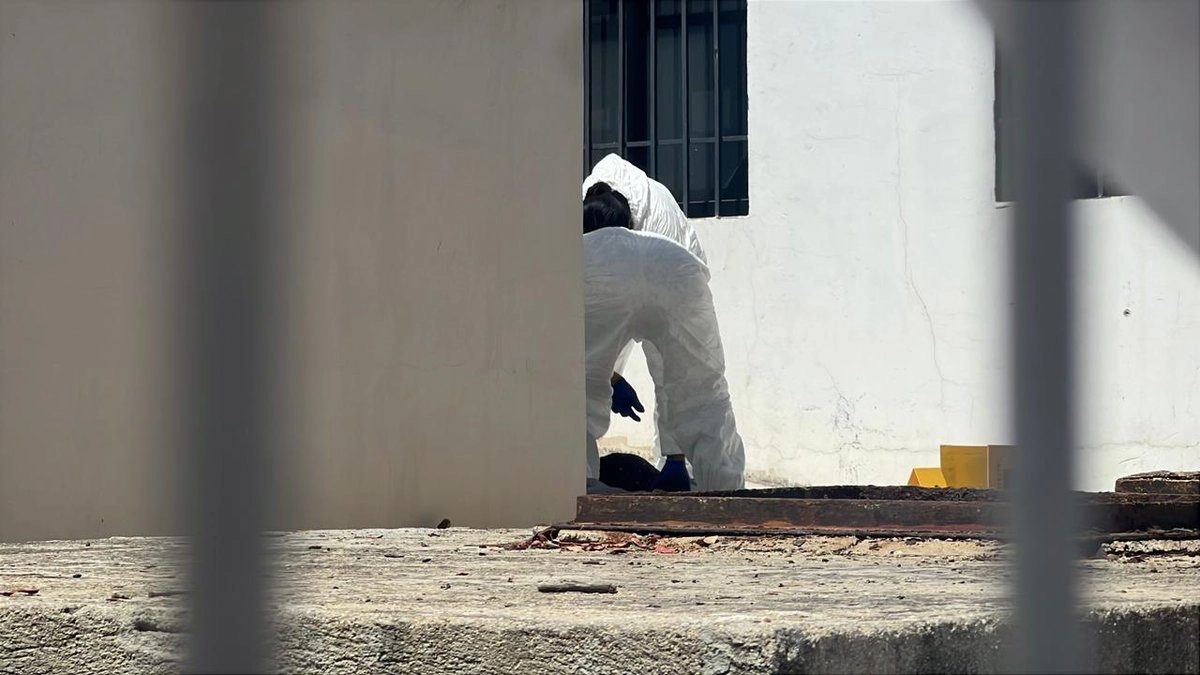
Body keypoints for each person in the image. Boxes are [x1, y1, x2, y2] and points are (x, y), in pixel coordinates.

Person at [583, 181, 746, 493]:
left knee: (573, 395)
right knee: (704, 393)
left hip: (621, 273)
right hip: (678, 269)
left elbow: (574, 357)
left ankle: (577, 489)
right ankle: (727, 494)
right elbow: (678, 371)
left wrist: (605, 380)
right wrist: (675, 456)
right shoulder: (662, 228)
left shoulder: (581, 245)